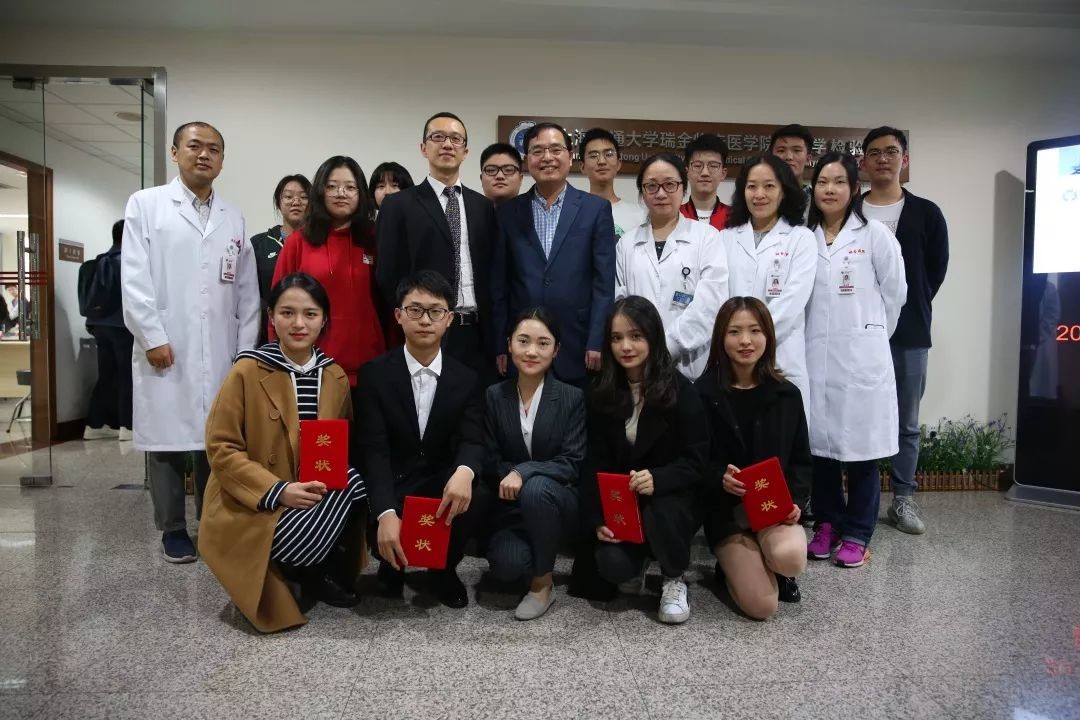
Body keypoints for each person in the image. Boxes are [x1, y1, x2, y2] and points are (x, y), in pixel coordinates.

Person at [121, 121, 260, 563]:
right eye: (194, 146)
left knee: (214, 439)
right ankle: (173, 528)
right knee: (166, 439)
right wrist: (152, 336)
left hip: (220, 349)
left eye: (213, 149)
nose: (204, 155)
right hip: (167, 345)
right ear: (174, 151)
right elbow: (134, 278)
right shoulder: (146, 205)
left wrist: (245, 351)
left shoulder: (233, 216)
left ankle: (211, 522)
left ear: (222, 159)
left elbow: (247, 292)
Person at [199, 273, 368, 632]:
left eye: (310, 314)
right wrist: (278, 490)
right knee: (295, 539)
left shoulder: (334, 376)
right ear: (271, 317)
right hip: (253, 501)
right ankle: (292, 567)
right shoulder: (247, 370)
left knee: (353, 478)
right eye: (287, 313)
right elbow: (221, 448)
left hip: (311, 494)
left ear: (324, 320)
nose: (299, 323)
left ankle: (315, 568)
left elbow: (339, 447)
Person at [353, 270, 488, 609]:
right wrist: (385, 512)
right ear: (398, 315)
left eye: (435, 311)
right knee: (366, 492)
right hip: (394, 480)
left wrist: (465, 472)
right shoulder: (374, 375)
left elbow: (473, 438)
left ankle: (444, 570)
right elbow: (374, 450)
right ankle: (390, 563)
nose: (425, 320)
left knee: (476, 489)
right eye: (415, 310)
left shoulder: (467, 379)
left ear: (449, 319)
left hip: (440, 484)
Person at [804, 152, 907, 568]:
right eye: (823, 182)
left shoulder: (875, 235)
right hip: (815, 356)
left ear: (853, 188)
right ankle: (827, 523)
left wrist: (871, 336)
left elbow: (895, 295)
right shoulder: (805, 238)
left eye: (839, 182)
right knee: (822, 448)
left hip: (862, 356)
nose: (830, 189)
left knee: (863, 448)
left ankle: (859, 532)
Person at [582, 296, 708, 624]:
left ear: (653, 337)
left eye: (636, 336)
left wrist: (659, 478)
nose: (626, 346)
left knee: (663, 507)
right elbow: (592, 463)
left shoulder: (682, 391)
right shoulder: (602, 390)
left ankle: (674, 578)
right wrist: (597, 518)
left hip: (672, 500)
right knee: (612, 565)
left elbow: (697, 461)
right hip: (624, 505)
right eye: (616, 337)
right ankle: (637, 563)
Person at [859, 126, 949, 535]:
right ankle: (855, 499)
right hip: (856, 332)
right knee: (856, 414)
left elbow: (934, 271)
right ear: (863, 161)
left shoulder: (926, 213)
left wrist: (906, 307)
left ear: (904, 159)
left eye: (891, 151)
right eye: (875, 152)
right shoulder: (851, 211)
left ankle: (903, 499)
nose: (883, 159)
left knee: (907, 421)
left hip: (910, 332)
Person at [696, 297, 810, 620]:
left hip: (773, 511)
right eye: (734, 332)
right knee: (763, 607)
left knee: (791, 557)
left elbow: (802, 461)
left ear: (768, 336)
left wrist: (796, 501)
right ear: (721, 338)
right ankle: (730, 568)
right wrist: (719, 477)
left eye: (755, 331)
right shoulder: (702, 394)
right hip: (727, 515)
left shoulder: (787, 395)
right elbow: (693, 460)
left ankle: (776, 567)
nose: (745, 340)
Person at [376, 112, 498, 384]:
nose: (447, 144)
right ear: (423, 148)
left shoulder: (482, 206)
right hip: (425, 331)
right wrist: (414, 319)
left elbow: (491, 270)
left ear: (465, 151)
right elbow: (387, 275)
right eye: (438, 137)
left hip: (477, 333)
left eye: (456, 139)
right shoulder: (398, 206)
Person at [491, 122, 616, 386]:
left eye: (556, 150)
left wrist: (597, 340)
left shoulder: (596, 209)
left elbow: (603, 284)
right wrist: (501, 343)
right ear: (527, 161)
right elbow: (499, 285)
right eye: (538, 151)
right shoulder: (508, 213)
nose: (547, 157)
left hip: (577, 344)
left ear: (570, 157)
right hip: (523, 345)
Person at [484, 307, 585, 620]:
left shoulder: (572, 397)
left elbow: (571, 462)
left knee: (537, 487)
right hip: (512, 507)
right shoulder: (494, 395)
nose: (531, 351)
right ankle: (537, 554)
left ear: (556, 350)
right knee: (507, 567)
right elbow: (490, 458)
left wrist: (522, 471)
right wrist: (509, 475)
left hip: (559, 501)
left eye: (543, 343)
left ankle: (543, 584)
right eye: (523, 341)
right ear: (509, 344)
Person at [271, 156, 385, 387]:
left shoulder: (376, 240)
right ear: (320, 192)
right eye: (332, 186)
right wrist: (279, 363)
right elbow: (277, 308)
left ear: (361, 194)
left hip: (371, 366)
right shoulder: (298, 242)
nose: (341, 193)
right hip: (311, 368)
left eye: (350, 187)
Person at [615, 153, 728, 380]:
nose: (661, 193)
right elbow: (621, 303)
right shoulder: (627, 243)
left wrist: (667, 347)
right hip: (639, 364)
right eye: (651, 186)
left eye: (669, 184)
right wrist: (642, 347)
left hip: (692, 366)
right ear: (642, 192)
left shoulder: (707, 237)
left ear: (683, 188)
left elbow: (710, 304)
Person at [720, 154, 815, 401]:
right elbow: (718, 297)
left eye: (769, 186)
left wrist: (751, 338)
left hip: (781, 357)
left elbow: (793, 300)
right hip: (733, 360)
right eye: (752, 186)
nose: (759, 194)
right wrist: (740, 340)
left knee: (782, 423)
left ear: (784, 191)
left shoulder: (801, 238)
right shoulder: (725, 238)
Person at [83, 220, 135, 442]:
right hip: (122, 326)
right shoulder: (128, 261)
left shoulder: (100, 260)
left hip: (99, 326)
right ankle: (127, 426)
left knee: (106, 375)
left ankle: (95, 424)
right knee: (127, 375)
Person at [249, 174, 311, 345]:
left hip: (311, 331)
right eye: (288, 196)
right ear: (278, 203)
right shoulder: (259, 244)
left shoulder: (319, 243)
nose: (296, 202)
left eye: (303, 197)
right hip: (269, 332)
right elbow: (249, 294)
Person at [578, 128, 645, 240]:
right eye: (593, 155)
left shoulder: (640, 215)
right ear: (582, 167)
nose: (602, 161)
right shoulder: (573, 214)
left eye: (609, 154)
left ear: (618, 164)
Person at [679, 134, 730, 231]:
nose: (705, 173)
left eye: (713, 166)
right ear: (687, 172)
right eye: (698, 166)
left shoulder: (735, 217)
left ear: (723, 173)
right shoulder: (675, 216)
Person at [770, 123, 815, 202]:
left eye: (797, 150)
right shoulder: (759, 198)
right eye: (781, 150)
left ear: (808, 159)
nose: (789, 157)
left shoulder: (817, 200)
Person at [479, 143, 524, 207]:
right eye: (491, 170)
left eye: (508, 170)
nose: (500, 176)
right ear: (481, 179)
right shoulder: (468, 211)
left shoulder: (534, 211)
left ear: (520, 179)